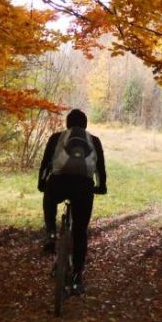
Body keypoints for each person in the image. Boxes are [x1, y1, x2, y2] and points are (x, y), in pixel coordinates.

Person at [37, 108, 106, 295]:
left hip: (59, 183)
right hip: (83, 187)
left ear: (67, 124)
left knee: (49, 196)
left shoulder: (57, 137)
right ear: (85, 125)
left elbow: (45, 163)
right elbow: (100, 167)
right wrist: (101, 187)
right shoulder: (94, 140)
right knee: (80, 232)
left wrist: (42, 183)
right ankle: (76, 277)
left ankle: (51, 231)